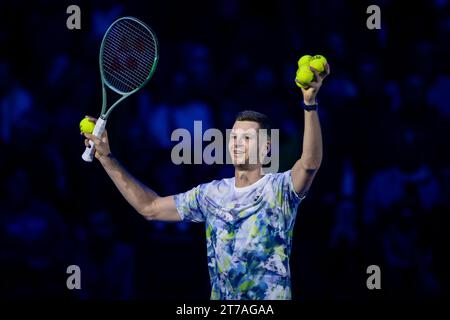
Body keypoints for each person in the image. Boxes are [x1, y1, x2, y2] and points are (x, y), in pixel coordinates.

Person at [83, 64, 330, 300]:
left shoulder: (278, 188)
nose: (236, 142)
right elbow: (151, 208)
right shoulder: (211, 194)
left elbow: (309, 163)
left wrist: (309, 105)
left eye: (246, 137)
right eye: (234, 136)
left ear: (266, 148)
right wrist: (106, 158)